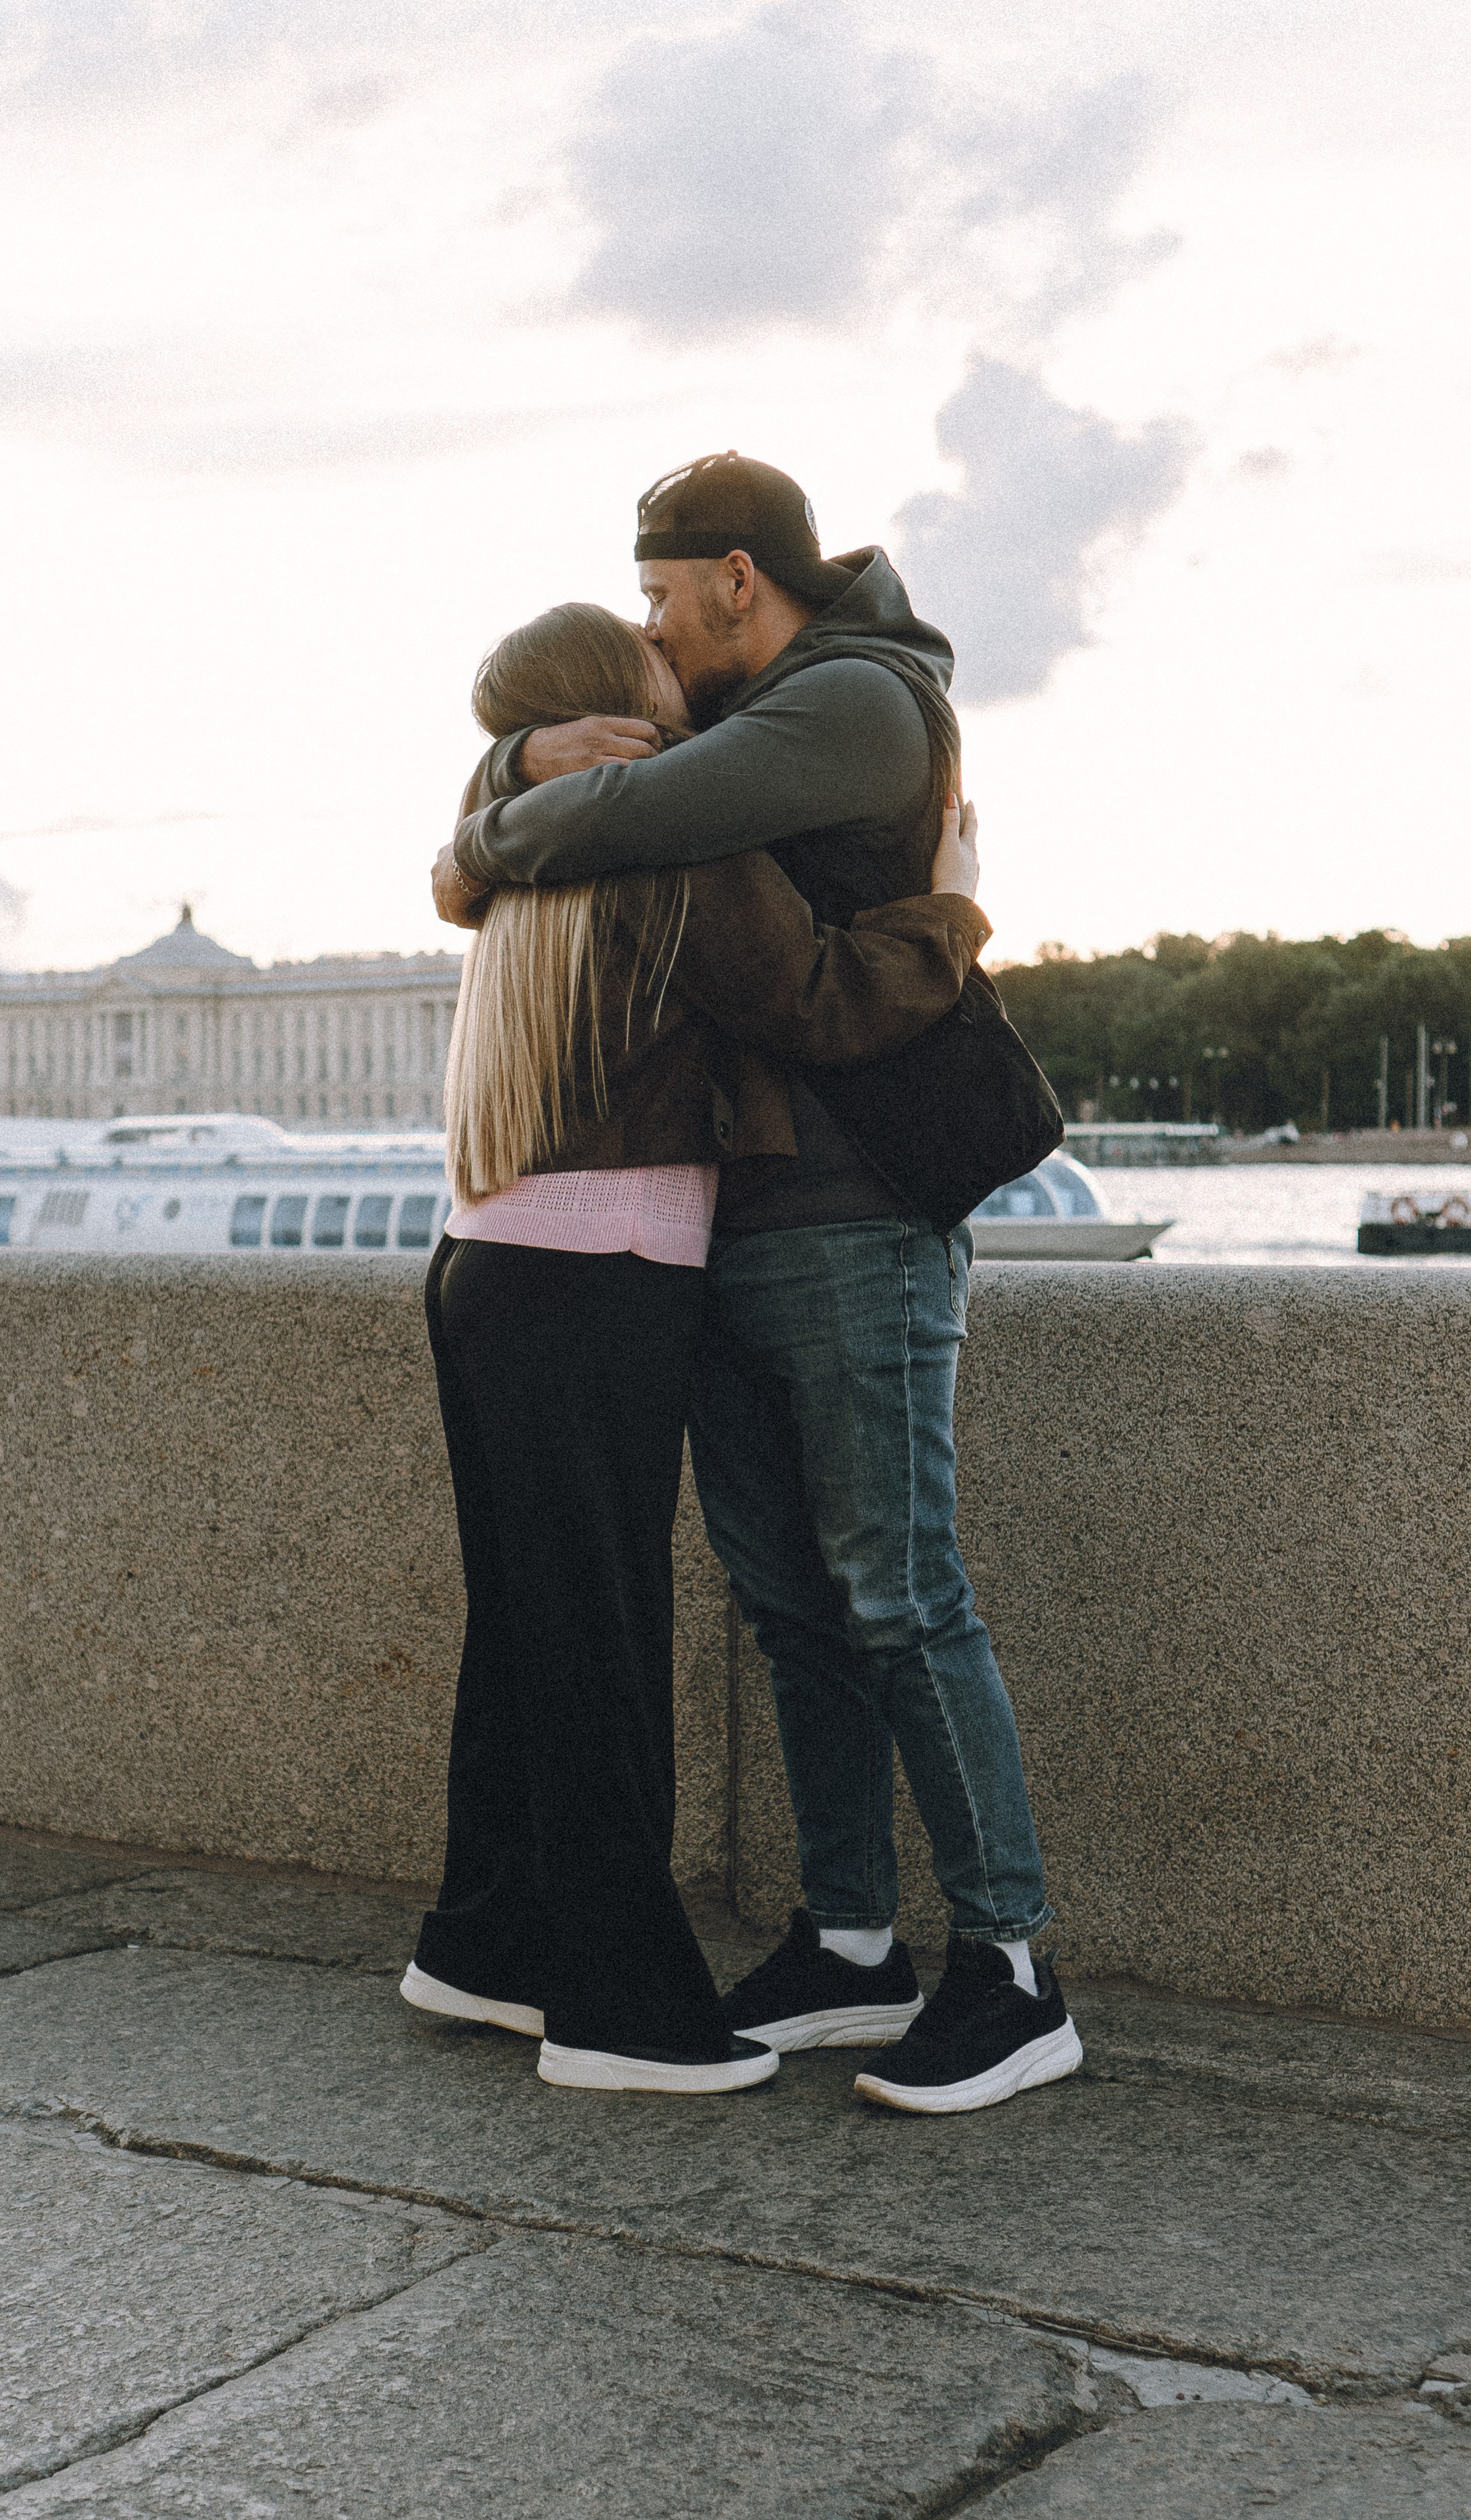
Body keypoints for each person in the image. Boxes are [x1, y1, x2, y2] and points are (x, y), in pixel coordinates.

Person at [435, 455, 1083, 2116]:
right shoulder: (754, 719)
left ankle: (1008, 1970)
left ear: (737, 577)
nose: (647, 629)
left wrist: (505, 794)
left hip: (856, 1214)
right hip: (737, 1220)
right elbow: (507, 862)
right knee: (790, 1602)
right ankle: (851, 1940)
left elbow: (633, 833)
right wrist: (512, 764)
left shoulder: (855, 701)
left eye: (658, 598)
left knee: (896, 1591)